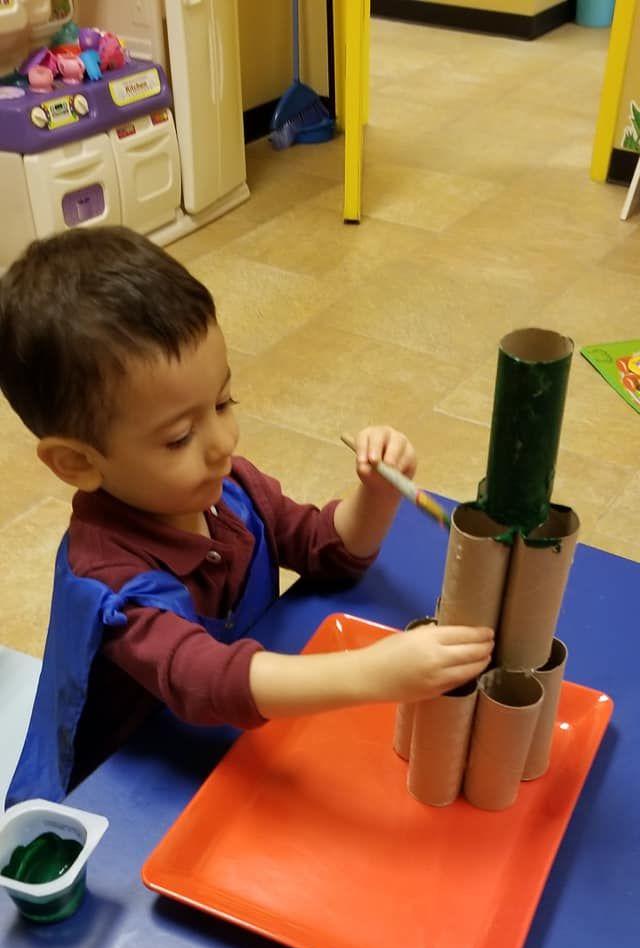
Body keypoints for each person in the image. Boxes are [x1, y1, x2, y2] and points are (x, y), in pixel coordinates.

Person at [0, 227, 493, 806]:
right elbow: (204, 682)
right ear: (77, 462)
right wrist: (375, 674)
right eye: (179, 436)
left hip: (232, 744)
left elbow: (325, 551)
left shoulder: (227, 490)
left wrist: (376, 493)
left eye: (223, 402)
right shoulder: (109, 580)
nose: (223, 441)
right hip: (122, 797)